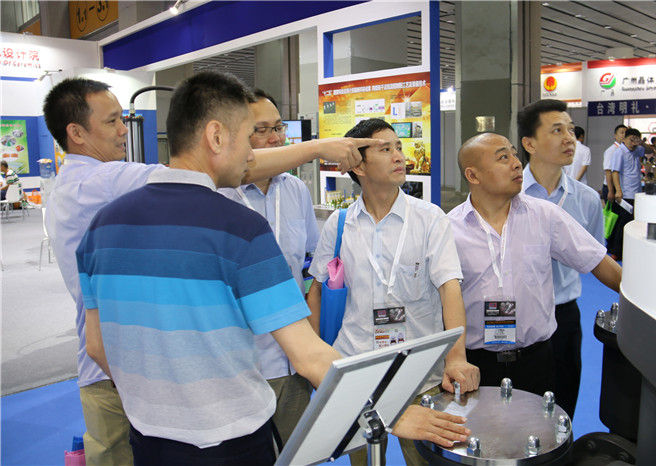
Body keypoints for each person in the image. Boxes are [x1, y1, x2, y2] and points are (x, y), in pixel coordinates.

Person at [76, 72, 471, 464]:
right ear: (216, 136)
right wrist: (390, 412)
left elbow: (97, 346)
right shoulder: (240, 228)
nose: (253, 156)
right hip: (233, 438)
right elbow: (307, 354)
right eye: (249, 137)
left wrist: (156, 405)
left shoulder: (103, 225)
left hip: (150, 438)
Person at [307, 118, 480, 466]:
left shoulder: (430, 218)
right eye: (385, 149)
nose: (399, 156)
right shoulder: (339, 225)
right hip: (358, 371)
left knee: (426, 459)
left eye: (398, 147)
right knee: (366, 461)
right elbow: (317, 294)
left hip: (419, 373)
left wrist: (456, 356)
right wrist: (316, 363)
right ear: (358, 166)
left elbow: (450, 288)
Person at [447, 132, 621, 400]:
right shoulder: (449, 229)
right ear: (473, 175)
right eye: (503, 158)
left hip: (536, 361)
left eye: (515, 154)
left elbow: (599, 262)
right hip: (475, 366)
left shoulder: (545, 216)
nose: (517, 163)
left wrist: (648, 305)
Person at [219, 89, 318, 446]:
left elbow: (309, 264)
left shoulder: (296, 190)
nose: (275, 138)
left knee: (296, 451)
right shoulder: (217, 195)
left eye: (279, 127)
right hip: (237, 363)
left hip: (293, 359)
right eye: (261, 130)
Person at [518, 99, 604, 419]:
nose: (569, 138)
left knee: (563, 407)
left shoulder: (587, 199)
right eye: (557, 130)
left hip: (564, 314)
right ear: (529, 144)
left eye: (570, 130)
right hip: (517, 315)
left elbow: (595, 256)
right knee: (515, 410)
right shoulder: (509, 196)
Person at [606, 127, 653, 260]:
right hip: (625, 193)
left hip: (636, 192)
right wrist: (618, 191)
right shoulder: (619, 152)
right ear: (625, 138)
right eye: (631, 140)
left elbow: (650, 151)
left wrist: (641, 142)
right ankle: (616, 251)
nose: (633, 143)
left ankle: (624, 249)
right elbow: (615, 172)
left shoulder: (637, 150)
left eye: (635, 140)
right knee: (623, 223)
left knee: (631, 223)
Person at [601, 124, 626, 205]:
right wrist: (611, 191)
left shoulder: (624, 150)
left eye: (626, 133)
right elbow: (608, 171)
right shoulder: (612, 150)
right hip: (611, 187)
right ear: (615, 135)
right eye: (621, 132)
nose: (624, 135)